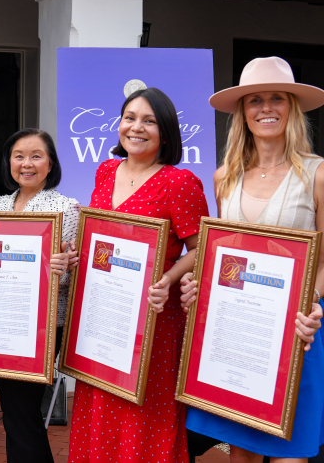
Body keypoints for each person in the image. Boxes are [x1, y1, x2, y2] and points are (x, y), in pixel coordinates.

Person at [180, 56, 324, 463]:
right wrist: (200, 287)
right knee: (240, 449)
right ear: (242, 113)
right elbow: (226, 256)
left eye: (276, 98)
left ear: (291, 108)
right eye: (254, 100)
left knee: (288, 453)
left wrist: (310, 300)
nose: (265, 108)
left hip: (298, 331)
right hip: (238, 330)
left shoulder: (317, 174)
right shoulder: (226, 176)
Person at [68, 87, 210, 462]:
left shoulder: (179, 183)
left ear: (165, 131)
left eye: (149, 121)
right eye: (130, 117)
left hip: (154, 321)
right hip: (103, 314)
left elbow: (202, 249)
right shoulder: (105, 170)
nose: (136, 127)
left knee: (143, 414)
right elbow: (100, 237)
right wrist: (74, 254)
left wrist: (167, 278)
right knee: (99, 402)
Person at [0, 128, 79, 462]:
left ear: (51, 163)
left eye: (36, 156)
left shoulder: (68, 209)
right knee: (17, 413)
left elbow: (75, 277)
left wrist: (64, 270)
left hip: (40, 329)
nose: (27, 164)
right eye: (19, 156)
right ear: (9, 162)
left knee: (21, 413)